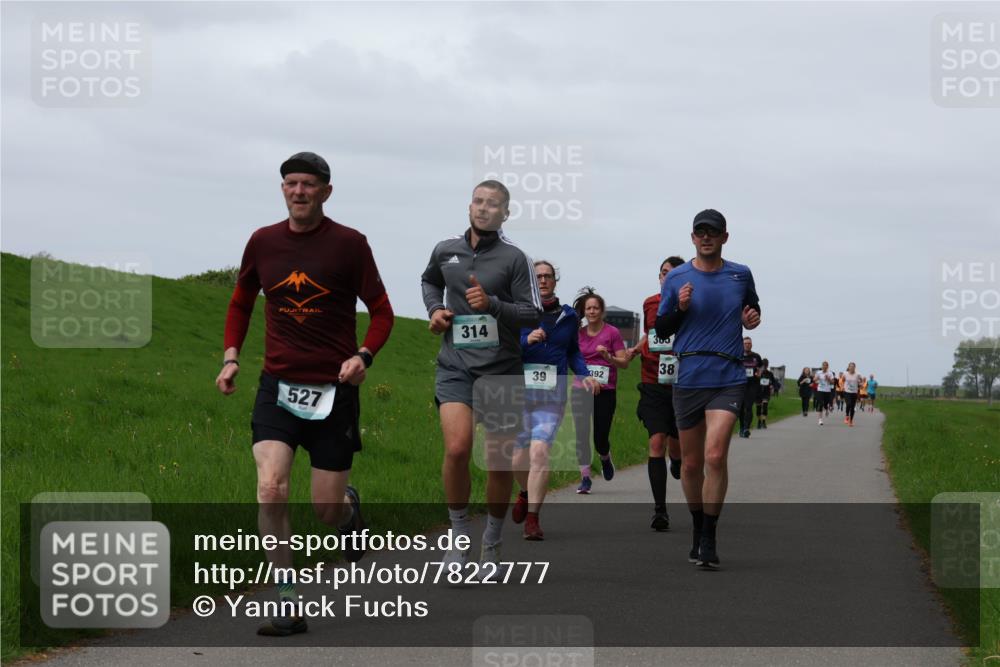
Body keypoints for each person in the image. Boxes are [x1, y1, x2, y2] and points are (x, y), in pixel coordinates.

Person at [216, 151, 395, 636]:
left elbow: (382, 311)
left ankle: (348, 510)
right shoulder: (263, 242)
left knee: (325, 509)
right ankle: (288, 601)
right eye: (291, 184)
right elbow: (240, 301)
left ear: (326, 191)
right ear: (283, 189)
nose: (299, 192)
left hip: (334, 391)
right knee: (271, 487)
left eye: (309, 185)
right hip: (277, 386)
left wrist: (363, 357)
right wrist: (231, 357)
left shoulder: (350, 245)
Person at [421, 180, 541, 569]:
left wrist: (492, 304)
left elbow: (532, 313)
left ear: (505, 214)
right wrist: (434, 310)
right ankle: (458, 538)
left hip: (501, 370)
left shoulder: (514, 258)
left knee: (497, 460)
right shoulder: (446, 249)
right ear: (469, 206)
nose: (483, 208)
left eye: (493, 204)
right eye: (478, 201)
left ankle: (491, 538)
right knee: (456, 449)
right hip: (455, 365)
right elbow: (429, 280)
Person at [655, 209, 761, 569]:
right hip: (690, 376)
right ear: (692, 237)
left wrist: (752, 319)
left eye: (712, 232)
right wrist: (682, 307)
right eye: (700, 232)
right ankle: (698, 528)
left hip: (728, 373)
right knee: (690, 464)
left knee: (715, 456)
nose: (706, 237)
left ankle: (710, 537)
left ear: (724, 237)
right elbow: (663, 328)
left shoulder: (740, 274)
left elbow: (753, 310)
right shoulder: (678, 278)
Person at [511, 260, 600, 540]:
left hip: (552, 395)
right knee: (516, 459)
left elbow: (573, 350)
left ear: (555, 281)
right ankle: (524, 493)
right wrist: (527, 342)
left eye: (548, 276)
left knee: (539, 452)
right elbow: (504, 350)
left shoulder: (569, 316)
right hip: (519, 393)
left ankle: (533, 520)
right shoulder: (516, 313)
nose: (543, 280)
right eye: (538, 276)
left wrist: (584, 374)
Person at [628, 256, 686, 530]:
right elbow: (651, 335)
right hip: (651, 380)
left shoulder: (690, 304)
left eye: (672, 274)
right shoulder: (650, 303)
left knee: (676, 445)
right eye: (663, 273)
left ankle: (677, 461)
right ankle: (660, 510)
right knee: (656, 442)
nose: (666, 278)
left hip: (681, 383)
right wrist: (635, 349)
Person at [572, 288, 630, 493]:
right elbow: (571, 359)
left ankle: (605, 457)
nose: (592, 311)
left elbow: (624, 363)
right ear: (584, 311)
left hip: (606, 391)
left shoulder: (612, 333)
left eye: (596, 308)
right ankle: (585, 478)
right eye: (588, 308)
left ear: (602, 311)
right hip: (581, 388)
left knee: (600, 437)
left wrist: (609, 358)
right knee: (581, 434)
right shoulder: (577, 335)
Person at [738, 337, 763, 438]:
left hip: (753, 384)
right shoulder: (738, 355)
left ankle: (746, 428)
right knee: (741, 408)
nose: (747, 345)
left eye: (749, 343)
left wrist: (759, 373)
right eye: (745, 343)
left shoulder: (756, 356)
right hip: (740, 384)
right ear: (742, 345)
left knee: (748, 407)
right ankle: (741, 427)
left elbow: (761, 366)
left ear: (751, 345)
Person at [814, 361, 835, 426]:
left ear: (827, 367)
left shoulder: (830, 373)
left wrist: (828, 379)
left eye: (826, 365)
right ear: (822, 366)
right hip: (820, 390)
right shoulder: (818, 372)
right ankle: (820, 420)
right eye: (823, 365)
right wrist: (816, 378)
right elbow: (814, 379)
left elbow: (832, 382)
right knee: (820, 404)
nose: (824, 367)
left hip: (827, 391)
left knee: (825, 404)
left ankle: (826, 409)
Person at [756, 358, 775, 429]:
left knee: (765, 407)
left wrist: (772, 385)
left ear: (767, 366)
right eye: (763, 366)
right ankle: (759, 421)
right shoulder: (757, 373)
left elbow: (773, 382)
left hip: (766, 392)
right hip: (758, 392)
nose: (764, 367)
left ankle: (763, 422)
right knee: (758, 408)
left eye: (766, 366)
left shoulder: (770, 374)